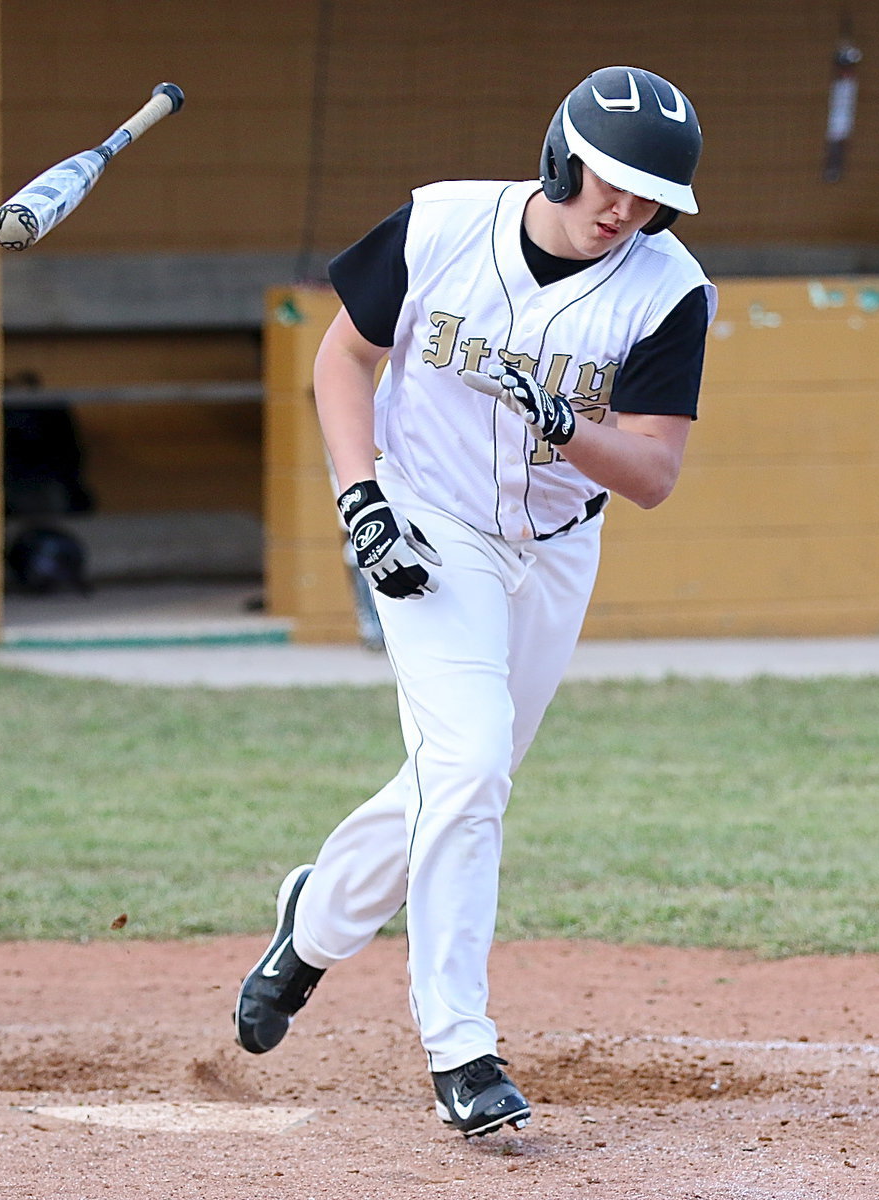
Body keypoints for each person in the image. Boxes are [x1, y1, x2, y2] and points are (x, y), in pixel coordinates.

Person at [234, 65, 717, 1138]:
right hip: (432, 521)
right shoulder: (443, 222)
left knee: (461, 775)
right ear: (560, 158)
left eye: (647, 197)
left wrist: (565, 425)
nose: (622, 210)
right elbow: (343, 358)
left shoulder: (667, 290)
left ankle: (313, 923)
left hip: (556, 547)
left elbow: (651, 475)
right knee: (469, 763)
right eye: (607, 181)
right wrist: (360, 500)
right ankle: (461, 1050)